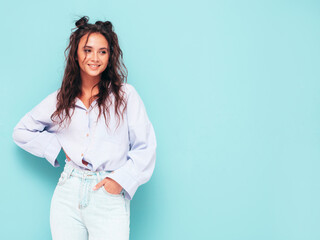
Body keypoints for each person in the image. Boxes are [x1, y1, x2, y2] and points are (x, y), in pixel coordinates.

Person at [12, 16, 156, 240]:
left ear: (110, 56)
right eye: (87, 50)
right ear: (76, 54)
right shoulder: (61, 100)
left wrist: (119, 182)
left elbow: (145, 147)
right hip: (67, 193)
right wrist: (56, 145)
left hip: (107, 193)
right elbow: (21, 131)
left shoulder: (126, 96)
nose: (94, 58)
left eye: (102, 51)